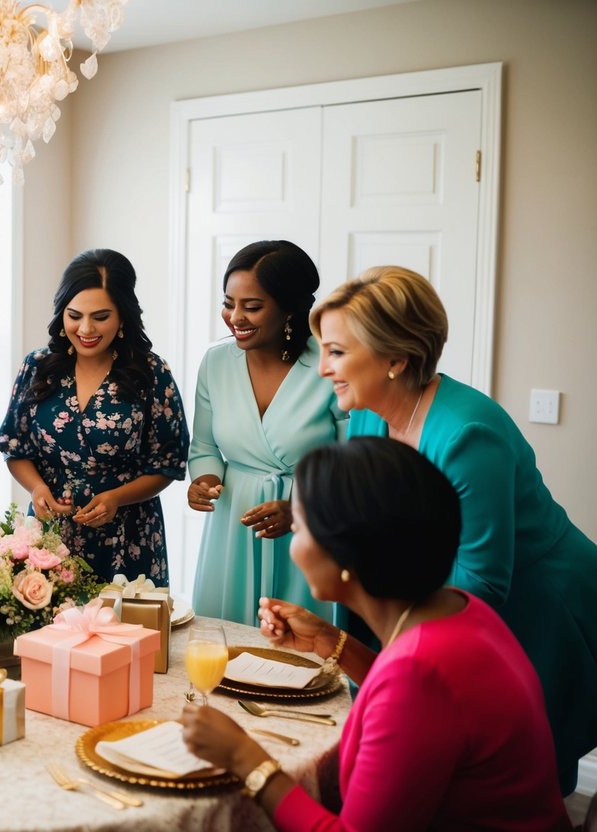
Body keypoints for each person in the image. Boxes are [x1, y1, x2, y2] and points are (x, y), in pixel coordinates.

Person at [182, 438, 571, 831]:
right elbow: (417, 707)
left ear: (346, 554)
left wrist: (245, 758)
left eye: (298, 527)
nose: (294, 546)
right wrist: (330, 641)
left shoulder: (418, 674)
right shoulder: (457, 608)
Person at [312, 265, 597, 793]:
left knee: (516, 778)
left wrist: (380, 608)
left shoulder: (468, 434)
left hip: (539, 603)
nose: (323, 369)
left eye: (337, 353)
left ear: (395, 359)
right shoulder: (370, 413)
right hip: (445, 595)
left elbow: (485, 583)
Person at [0, 248, 189, 582]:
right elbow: (16, 447)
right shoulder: (37, 367)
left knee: (126, 632)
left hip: (128, 535)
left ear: (122, 316)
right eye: (75, 316)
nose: (86, 328)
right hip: (50, 538)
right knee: (47, 632)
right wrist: (37, 488)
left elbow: (167, 462)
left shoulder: (151, 371)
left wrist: (116, 497)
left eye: (101, 317)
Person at [186, 241, 346, 625]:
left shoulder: (328, 362)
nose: (235, 317)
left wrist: (301, 511)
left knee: (302, 656)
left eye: (252, 307)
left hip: (311, 527)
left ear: (289, 307)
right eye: (228, 303)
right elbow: (205, 446)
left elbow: (354, 464)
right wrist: (205, 482)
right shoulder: (216, 363)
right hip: (233, 527)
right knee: (223, 652)